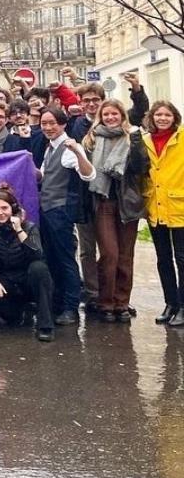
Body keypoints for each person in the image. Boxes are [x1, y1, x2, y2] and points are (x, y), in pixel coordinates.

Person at [83, 98, 148, 322]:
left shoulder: (132, 138)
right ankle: (106, 301)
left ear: (122, 116)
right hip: (103, 202)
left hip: (127, 203)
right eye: (106, 114)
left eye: (115, 114)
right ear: (101, 117)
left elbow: (141, 168)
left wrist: (137, 142)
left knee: (125, 256)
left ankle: (122, 302)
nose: (110, 118)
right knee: (109, 254)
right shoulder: (91, 139)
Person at [33, 107, 96, 325]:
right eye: (44, 123)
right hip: (47, 210)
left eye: (52, 123)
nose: (48, 127)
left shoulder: (69, 148)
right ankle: (59, 303)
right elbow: (43, 175)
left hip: (60, 211)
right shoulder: (50, 148)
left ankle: (71, 308)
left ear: (63, 124)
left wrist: (79, 152)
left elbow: (89, 174)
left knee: (66, 260)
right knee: (52, 259)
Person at [0, 184, 55, 342]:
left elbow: (37, 254)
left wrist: (19, 230)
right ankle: (12, 314)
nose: (0, 213)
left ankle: (45, 325)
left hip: (29, 279)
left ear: (13, 209)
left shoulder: (29, 228)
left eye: (4, 208)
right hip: (8, 281)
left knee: (39, 268)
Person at [143, 101, 184, 326]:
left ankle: (183, 306)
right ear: (152, 118)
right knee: (163, 259)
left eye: (167, 115)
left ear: (174, 117)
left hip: (179, 206)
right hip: (155, 206)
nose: (162, 118)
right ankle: (171, 303)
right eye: (158, 114)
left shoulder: (182, 138)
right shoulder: (146, 141)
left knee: (182, 259)